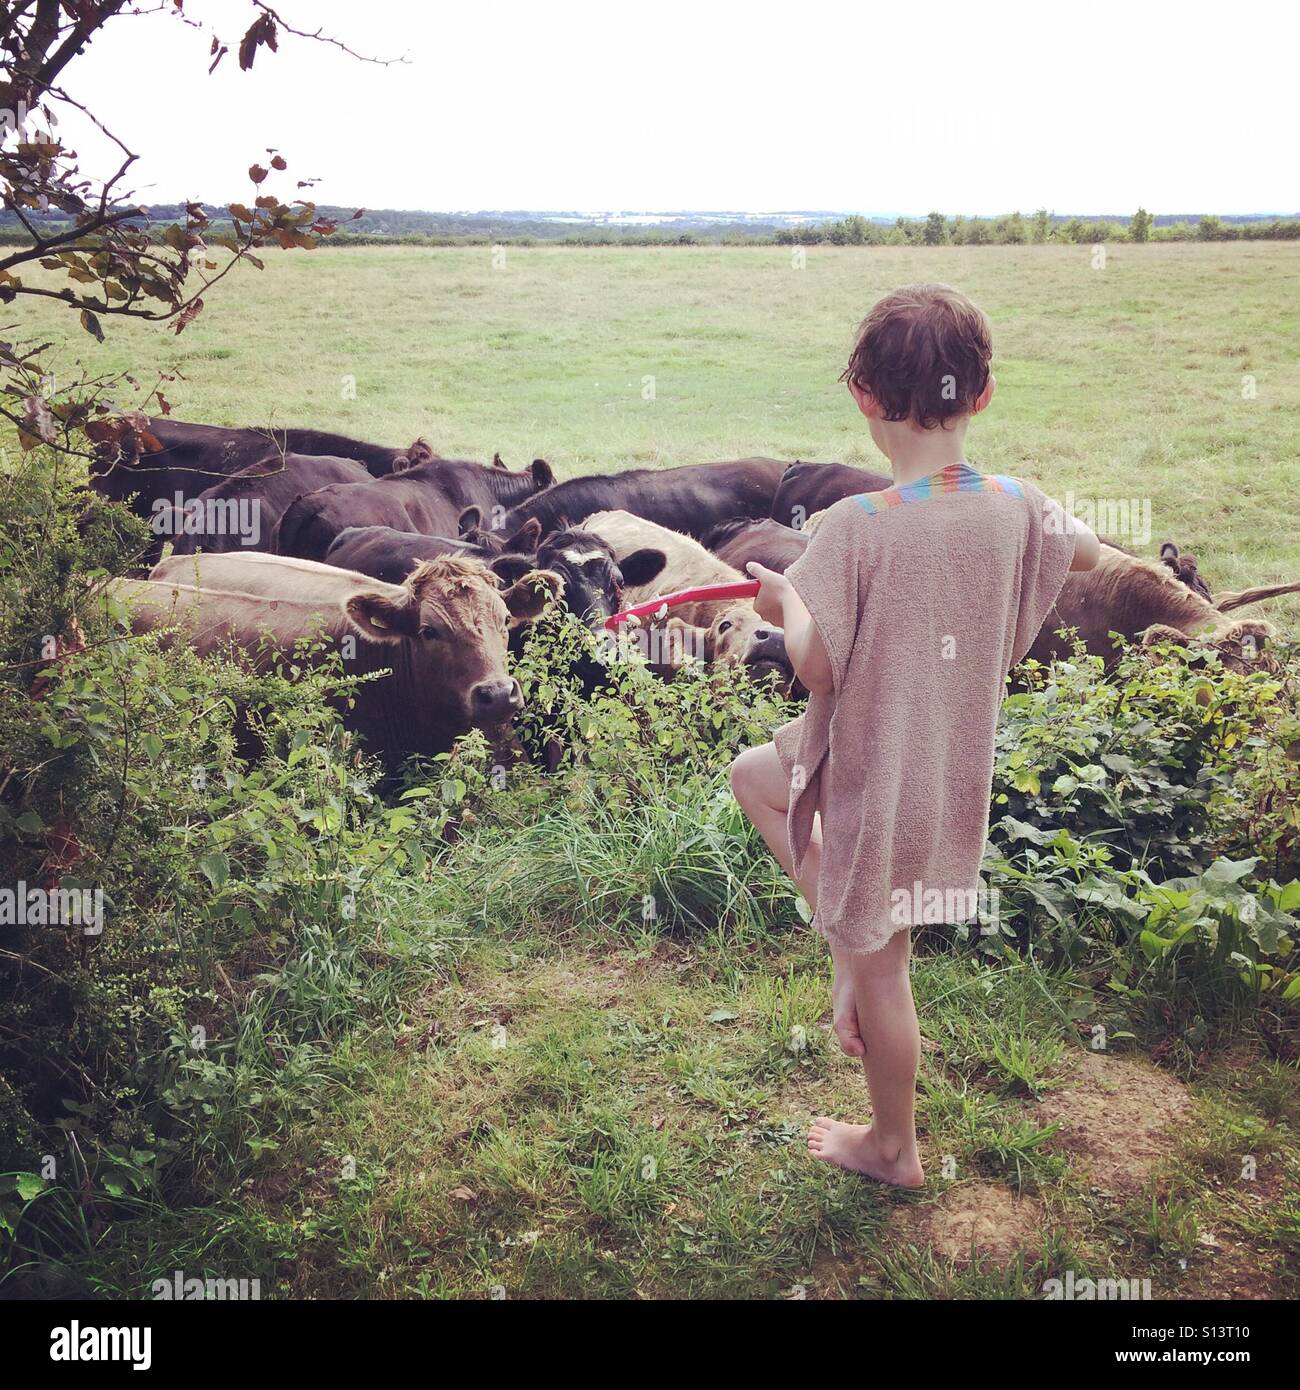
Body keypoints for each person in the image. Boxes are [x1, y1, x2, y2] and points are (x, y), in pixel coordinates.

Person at [730, 283, 1099, 1186]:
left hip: (872, 777)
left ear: (862, 396)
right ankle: (846, 941)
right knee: (755, 776)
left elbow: (815, 667)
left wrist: (785, 603)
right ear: (981, 397)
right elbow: (1083, 551)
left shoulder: (855, 527)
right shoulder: (1016, 502)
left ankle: (893, 1147)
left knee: (885, 970)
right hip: (946, 766)